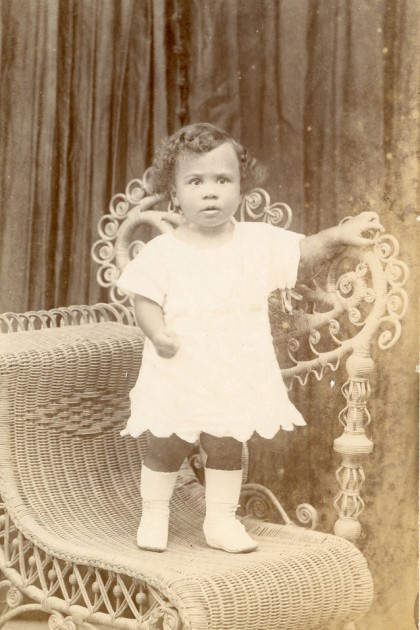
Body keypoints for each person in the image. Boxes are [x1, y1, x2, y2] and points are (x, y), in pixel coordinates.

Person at [117, 122, 383, 553]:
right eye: (195, 181)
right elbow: (143, 297)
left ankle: (220, 521)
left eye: (223, 180)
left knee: (226, 445)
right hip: (179, 369)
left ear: (240, 190)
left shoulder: (256, 242)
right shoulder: (165, 251)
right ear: (174, 194)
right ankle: (155, 513)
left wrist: (338, 235)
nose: (210, 192)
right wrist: (157, 331)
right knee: (167, 443)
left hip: (232, 372)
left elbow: (302, 251)